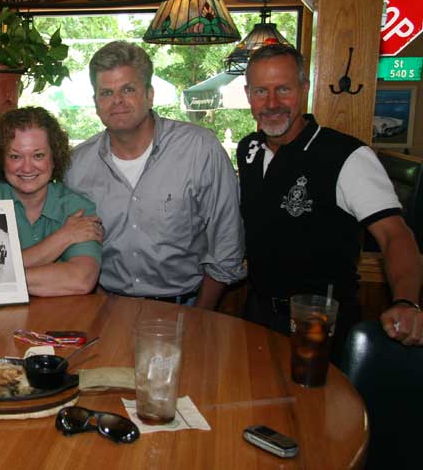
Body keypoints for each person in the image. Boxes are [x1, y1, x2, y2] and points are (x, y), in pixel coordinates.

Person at [237, 44, 423, 354]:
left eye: (283, 89)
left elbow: (395, 235)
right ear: (248, 95)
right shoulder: (249, 150)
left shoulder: (346, 155)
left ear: (304, 88)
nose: (271, 103)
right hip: (256, 315)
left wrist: (405, 300)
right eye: (260, 91)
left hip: (319, 323)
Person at [65, 41, 245, 307]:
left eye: (128, 89)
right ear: (95, 103)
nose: (117, 101)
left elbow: (227, 244)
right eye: (106, 93)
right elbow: (71, 247)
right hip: (105, 308)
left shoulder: (199, 149)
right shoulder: (76, 165)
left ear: (149, 95)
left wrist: (200, 316)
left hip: (185, 307)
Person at [0, 106, 102, 296]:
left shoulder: (77, 208)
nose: (27, 167)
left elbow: (81, 280)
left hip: (62, 320)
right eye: (15, 156)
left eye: (38, 155)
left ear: (54, 159)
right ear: (1, 159)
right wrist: (64, 237)